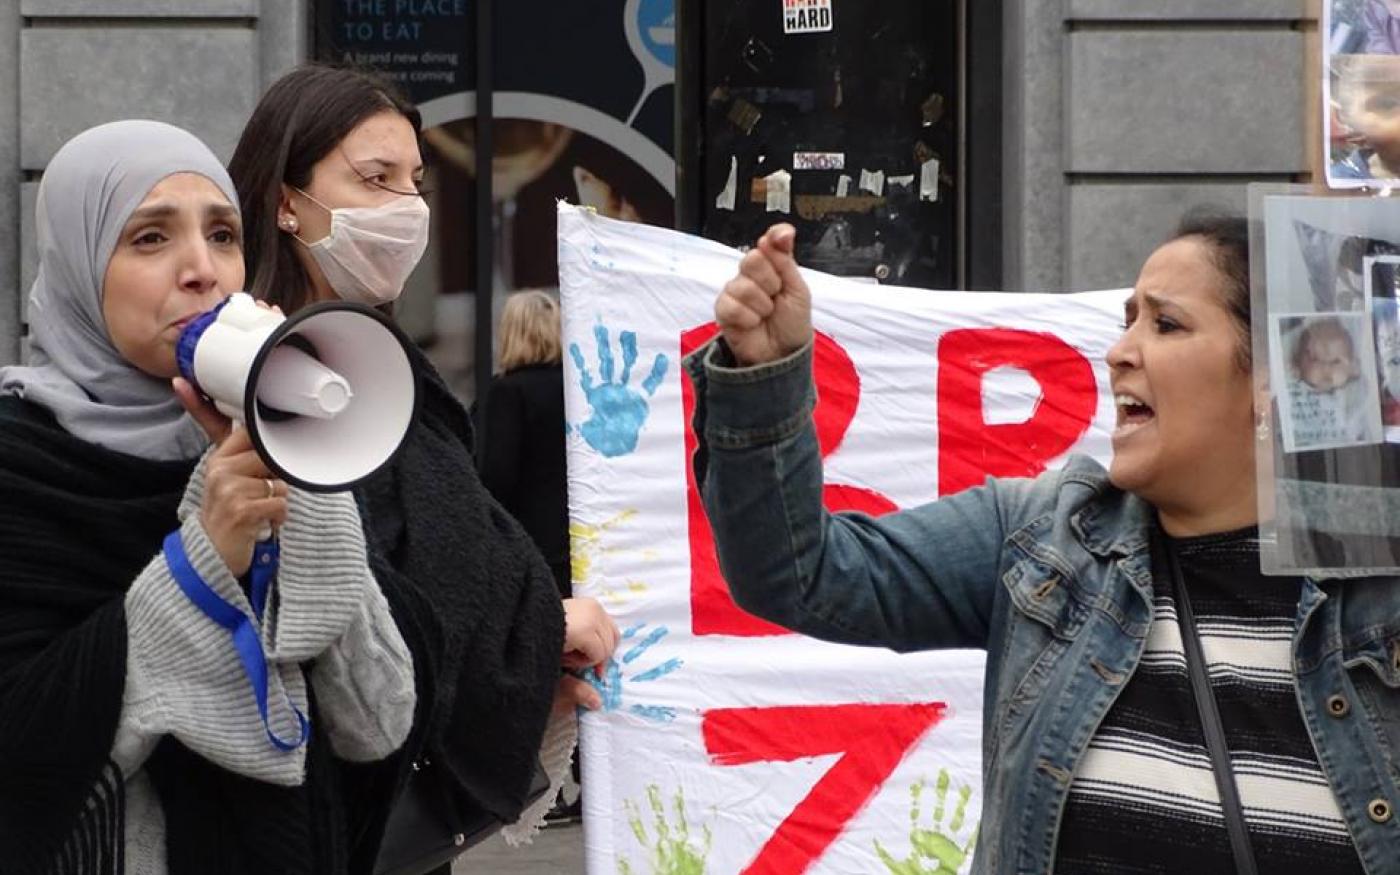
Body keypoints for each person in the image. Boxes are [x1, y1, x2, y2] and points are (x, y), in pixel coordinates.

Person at [688, 213, 1398, 873]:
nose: (1119, 352)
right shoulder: (1043, 539)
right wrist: (763, 377)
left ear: (1275, 378)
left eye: (1166, 324)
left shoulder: (1377, 586)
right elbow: (797, 572)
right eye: (1127, 321)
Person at [227, 64, 619, 869]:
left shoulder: (391, 369)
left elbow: (451, 551)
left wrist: (524, 655)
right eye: (375, 178)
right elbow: (371, 589)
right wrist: (542, 630)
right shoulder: (245, 375)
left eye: (415, 182)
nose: (407, 208)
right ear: (286, 201)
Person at [0, 120, 416, 874]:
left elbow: (377, 720)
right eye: (150, 238)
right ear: (79, 266)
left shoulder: (253, 441)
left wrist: (296, 458)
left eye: (223, 235)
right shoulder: (21, 466)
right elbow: (26, 759)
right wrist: (198, 566)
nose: (202, 270)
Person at [479, 290, 571, 597]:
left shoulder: (507, 393)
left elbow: (498, 472)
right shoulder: (575, 388)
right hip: (575, 533)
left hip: (529, 537)